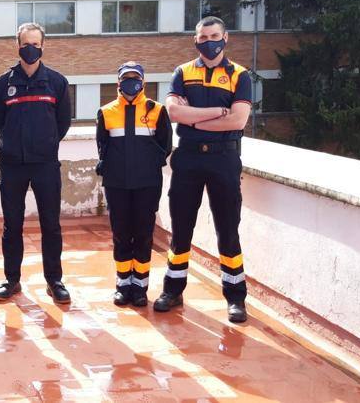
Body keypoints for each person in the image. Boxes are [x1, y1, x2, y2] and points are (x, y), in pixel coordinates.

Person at [154, 16, 253, 323]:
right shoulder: (183, 72)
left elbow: (238, 120)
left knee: (228, 230)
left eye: (214, 36)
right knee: (181, 229)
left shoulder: (240, 75)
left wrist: (192, 118)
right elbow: (172, 111)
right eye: (202, 37)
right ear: (195, 41)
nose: (209, 41)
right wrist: (213, 114)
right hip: (189, 158)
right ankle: (173, 290)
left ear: (225, 38)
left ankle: (235, 297)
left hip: (224, 159)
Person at [0, 23, 73, 304]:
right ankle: (12, 280)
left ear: (43, 45)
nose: (31, 48)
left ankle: (54, 281)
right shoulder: (4, 83)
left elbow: (63, 124)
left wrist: (45, 143)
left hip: (45, 165)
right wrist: (15, 143)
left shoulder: (57, 82)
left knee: (51, 225)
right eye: (26, 43)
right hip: (12, 165)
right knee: (11, 225)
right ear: (18, 45)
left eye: (36, 44)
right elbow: (0, 122)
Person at [95, 62, 172, 307]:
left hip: (147, 184)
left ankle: (139, 287)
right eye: (126, 78)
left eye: (135, 78)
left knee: (143, 234)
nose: (131, 82)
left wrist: (147, 165)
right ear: (118, 83)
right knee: (120, 234)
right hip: (117, 184)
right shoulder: (106, 112)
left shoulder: (157, 111)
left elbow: (165, 146)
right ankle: (122, 285)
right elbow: (102, 148)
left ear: (143, 82)